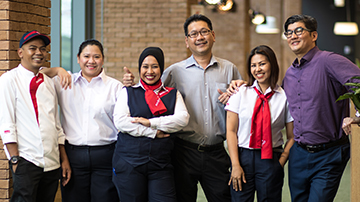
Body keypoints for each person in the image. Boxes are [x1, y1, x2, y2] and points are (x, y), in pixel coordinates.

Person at [228, 14, 360, 201]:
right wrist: (244, 84)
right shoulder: (290, 74)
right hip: (299, 154)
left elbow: (359, 85)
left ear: (313, 36)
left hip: (328, 154)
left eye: (299, 31)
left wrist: (356, 116)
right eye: (288, 33)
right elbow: (269, 94)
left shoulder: (329, 61)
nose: (293, 36)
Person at [123, 14, 242, 202]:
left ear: (213, 35)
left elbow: (241, 105)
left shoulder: (229, 69)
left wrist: (242, 86)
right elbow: (150, 91)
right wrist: (131, 84)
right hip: (183, 152)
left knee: (224, 198)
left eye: (204, 32)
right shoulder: (174, 72)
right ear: (187, 41)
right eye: (193, 34)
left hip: (216, 152)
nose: (199, 37)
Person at [41, 39, 121, 202]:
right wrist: (57, 70)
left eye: (96, 57)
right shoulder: (65, 81)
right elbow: (37, 75)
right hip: (72, 156)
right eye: (86, 56)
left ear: (103, 59)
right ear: (78, 58)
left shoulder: (115, 87)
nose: (91, 61)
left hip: (106, 155)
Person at [0, 30, 71, 202]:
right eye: (32, 48)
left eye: (42, 49)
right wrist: (15, 161)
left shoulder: (48, 82)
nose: (38, 52)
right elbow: (6, 122)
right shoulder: (9, 80)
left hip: (52, 163)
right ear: (20, 52)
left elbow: (56, 124)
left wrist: (64, 159)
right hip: (27, 161)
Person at [112, 47, 189, 201]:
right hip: (129, 163)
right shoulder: (128, 91)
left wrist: (150, 123)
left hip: (161, 165)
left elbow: (182, 119)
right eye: (145, 66)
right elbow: (121, 122)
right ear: (139, 68)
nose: (150, 71)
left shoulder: (172, 93)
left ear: (161, 68)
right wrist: (153, 132)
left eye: (155, 66)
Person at [225, 45, 294, 202]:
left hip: (271, 158)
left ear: (272, 65)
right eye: (253, 65)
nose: (258, 69)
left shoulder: (284, 97)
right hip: (243, 157)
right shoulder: (239, 92)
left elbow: (292, 136)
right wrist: (235, 165)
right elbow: (230, 131)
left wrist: (281, 162)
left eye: (262, 64)